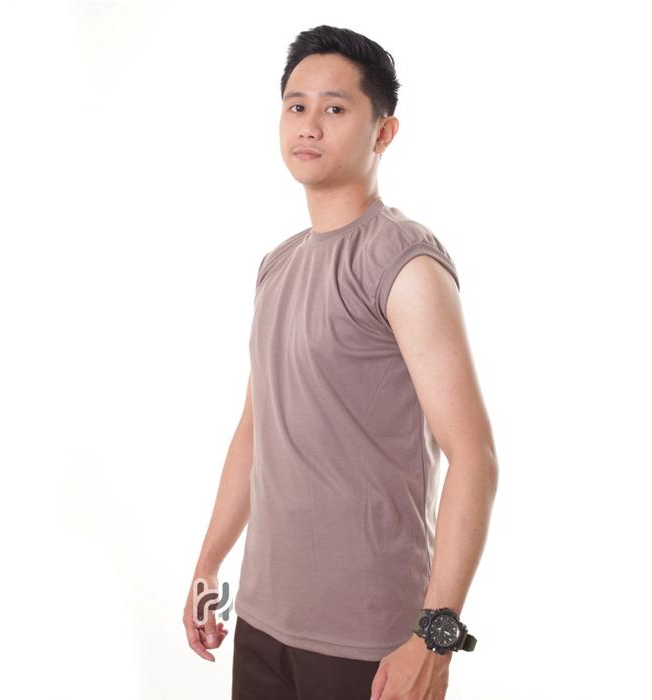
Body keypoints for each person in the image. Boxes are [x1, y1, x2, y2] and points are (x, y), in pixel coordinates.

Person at [183, 24, 498, 700]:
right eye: (296, 106)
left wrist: (434, 639)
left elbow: (473, 456)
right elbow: (255, 431)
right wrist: (209, 565)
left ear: (383, 132)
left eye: (335, 107)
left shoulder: (404, 261)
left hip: (371, 640)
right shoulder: (277, 265)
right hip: (263, 620)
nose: (309, 124)